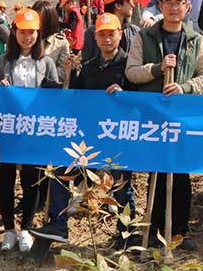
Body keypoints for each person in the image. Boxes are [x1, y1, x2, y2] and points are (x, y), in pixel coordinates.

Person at [31, 13, 139, 249]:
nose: (107, 39)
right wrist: (70, 74)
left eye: (111, 34)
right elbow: (74, 100)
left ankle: (127, 234)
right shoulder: (88, 68)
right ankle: (58, 226)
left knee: (122, 187)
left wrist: (125, 94)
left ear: (120, 34)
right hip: (88, 137)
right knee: (61, 171)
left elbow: (140, 103)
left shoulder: (130, 67)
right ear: (95, 37)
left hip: (118, 137)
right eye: (102, 34)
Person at [126, 0, 203, 250]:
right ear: (160, 6)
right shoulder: (145, 37)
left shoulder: (196, 40)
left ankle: (179, 232)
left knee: (182, 175)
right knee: (157, 173)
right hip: (153, 117)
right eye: (168, 2)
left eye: (179, 3)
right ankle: (153, 231)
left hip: (184, 118)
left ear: (187, 7)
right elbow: (132, 71)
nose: (174, 8)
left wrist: (185, 87)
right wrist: (156, 69)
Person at [0, 9, 61, 252]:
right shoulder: (3, 62)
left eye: (31, 32)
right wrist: (0, 86)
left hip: (35, 129)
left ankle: (26, 228)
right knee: (6, 179)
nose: (27, 36)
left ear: (38, 33)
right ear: (14, 32)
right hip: (9, 129)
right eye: (22, 32)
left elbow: (55, 95)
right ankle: (9, 229)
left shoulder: (46, 62)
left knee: (31, 180)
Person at [82, 0, 141, 65]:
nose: (132, 5)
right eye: (128, 1)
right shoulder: (92, 31)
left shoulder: (135, 32)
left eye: (111, 34)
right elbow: (86, 62)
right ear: (118, 5)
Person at [33, 1, 72, 86]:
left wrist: (41, 78)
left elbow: (62, 72)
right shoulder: (28, 41)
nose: (37, 23)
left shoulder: (60, 44)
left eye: (40, 20)